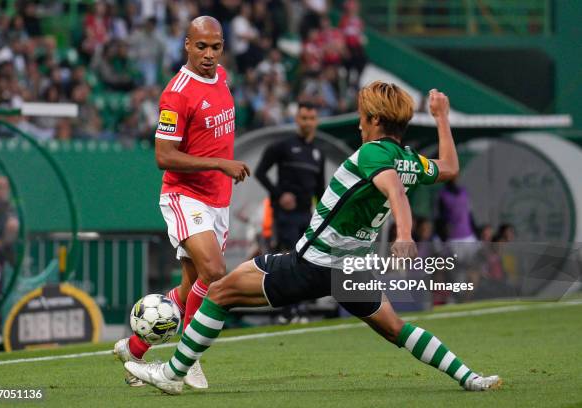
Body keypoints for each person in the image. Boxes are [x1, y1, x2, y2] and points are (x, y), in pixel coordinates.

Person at [125, 82, 502, 394]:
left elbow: (396, 193)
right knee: (395, 328)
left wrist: (404, 233)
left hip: (313, 264)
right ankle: (468, 377)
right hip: (350, 270)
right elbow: (450, 167)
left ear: (374, 120)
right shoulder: (407, 159)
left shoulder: (373, 155)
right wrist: (441, 118)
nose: (359, 124)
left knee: (219, 292)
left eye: (361, 117)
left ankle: (173, 373)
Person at [113, 16, 250, 390]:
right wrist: (220, 163)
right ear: (187, 45)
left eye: (215, 47)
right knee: (215, 270)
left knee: (191, 286)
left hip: (218, 200)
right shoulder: (177, 92)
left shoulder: (221, 77)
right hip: (184, 195)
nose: (208, 54)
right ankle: (186, 359)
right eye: (201, 46)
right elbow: (164, 156)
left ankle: (134, 348)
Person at [255, 101, 325, 323]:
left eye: (311, 118)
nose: (307, 122)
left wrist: (322, 216)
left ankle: (300, 308)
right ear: (297, 119)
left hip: (307, 215)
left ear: (316, 121)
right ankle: (287, 311)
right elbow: (260, 172)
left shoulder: (318, 153)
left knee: (307, 262)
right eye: (303, 118)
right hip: (286, 215)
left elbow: (321, 189)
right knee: (289, 260)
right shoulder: (283, 146)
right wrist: (278, 195)